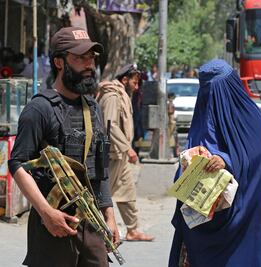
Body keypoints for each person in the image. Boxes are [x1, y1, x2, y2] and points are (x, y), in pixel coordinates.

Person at [8, 26, 119, 266]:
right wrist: (47, 214)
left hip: (91, 222)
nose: (89, 64)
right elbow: (17, 164)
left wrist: (110, 216)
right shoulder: (40, 109)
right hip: (54, 223)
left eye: (91, 57)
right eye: (80, 58)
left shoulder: (93, 108)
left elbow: (98, 169)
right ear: (59, 62)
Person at [169, 59, 261, 266]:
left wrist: (226, 160)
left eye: (216, 89)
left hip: (241, 215)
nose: (211, 96)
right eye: (206, 90)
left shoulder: (249, 116)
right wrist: (190, 164)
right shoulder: (202, 113)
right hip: (201, 216)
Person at [97, 64, 154, 242]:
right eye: (135, 82)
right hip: (112, 154)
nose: (136, 87)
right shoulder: (113, 96)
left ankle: (132, 229)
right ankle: (89, 227)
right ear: (124, 80)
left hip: (119, 155)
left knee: (128, 192)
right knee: (102, 194)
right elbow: (109, 125)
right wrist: (127, 148)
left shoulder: (122, 95)